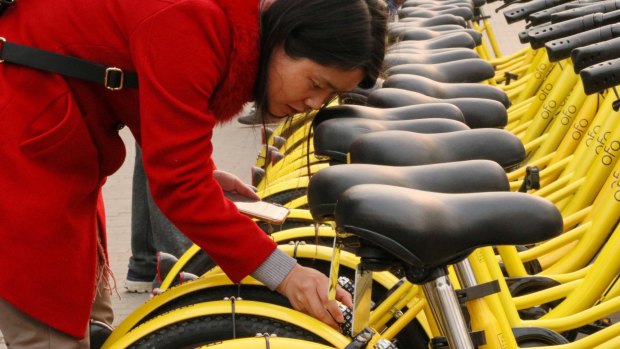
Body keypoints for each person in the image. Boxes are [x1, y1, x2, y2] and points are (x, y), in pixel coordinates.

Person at [0, 0, 387, 347]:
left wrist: (200, 171)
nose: (312, 103)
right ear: (283, 38)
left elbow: (150, 94)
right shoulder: (194, 22)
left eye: (328, 97)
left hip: (50, 137)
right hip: (20, 138)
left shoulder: (218, 22)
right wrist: (286, 274)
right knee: (51, 332)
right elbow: (179, 187)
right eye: (316, 84)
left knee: (87, 317)